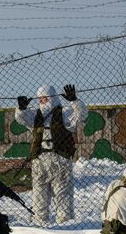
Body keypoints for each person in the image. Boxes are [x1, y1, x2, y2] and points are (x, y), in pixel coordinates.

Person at [15, 84, 88, 224]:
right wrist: (21, 108)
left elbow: (81, 114)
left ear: (52, 98)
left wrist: (74, 101)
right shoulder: (36, 115)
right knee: (38, 195)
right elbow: (21, 118)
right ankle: (39, 222)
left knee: (63, 195)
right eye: (40, 98)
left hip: (59, 159)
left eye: (45, 98)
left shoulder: (64, 112)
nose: (42, 101)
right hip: (39, 160)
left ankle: (65, 224)